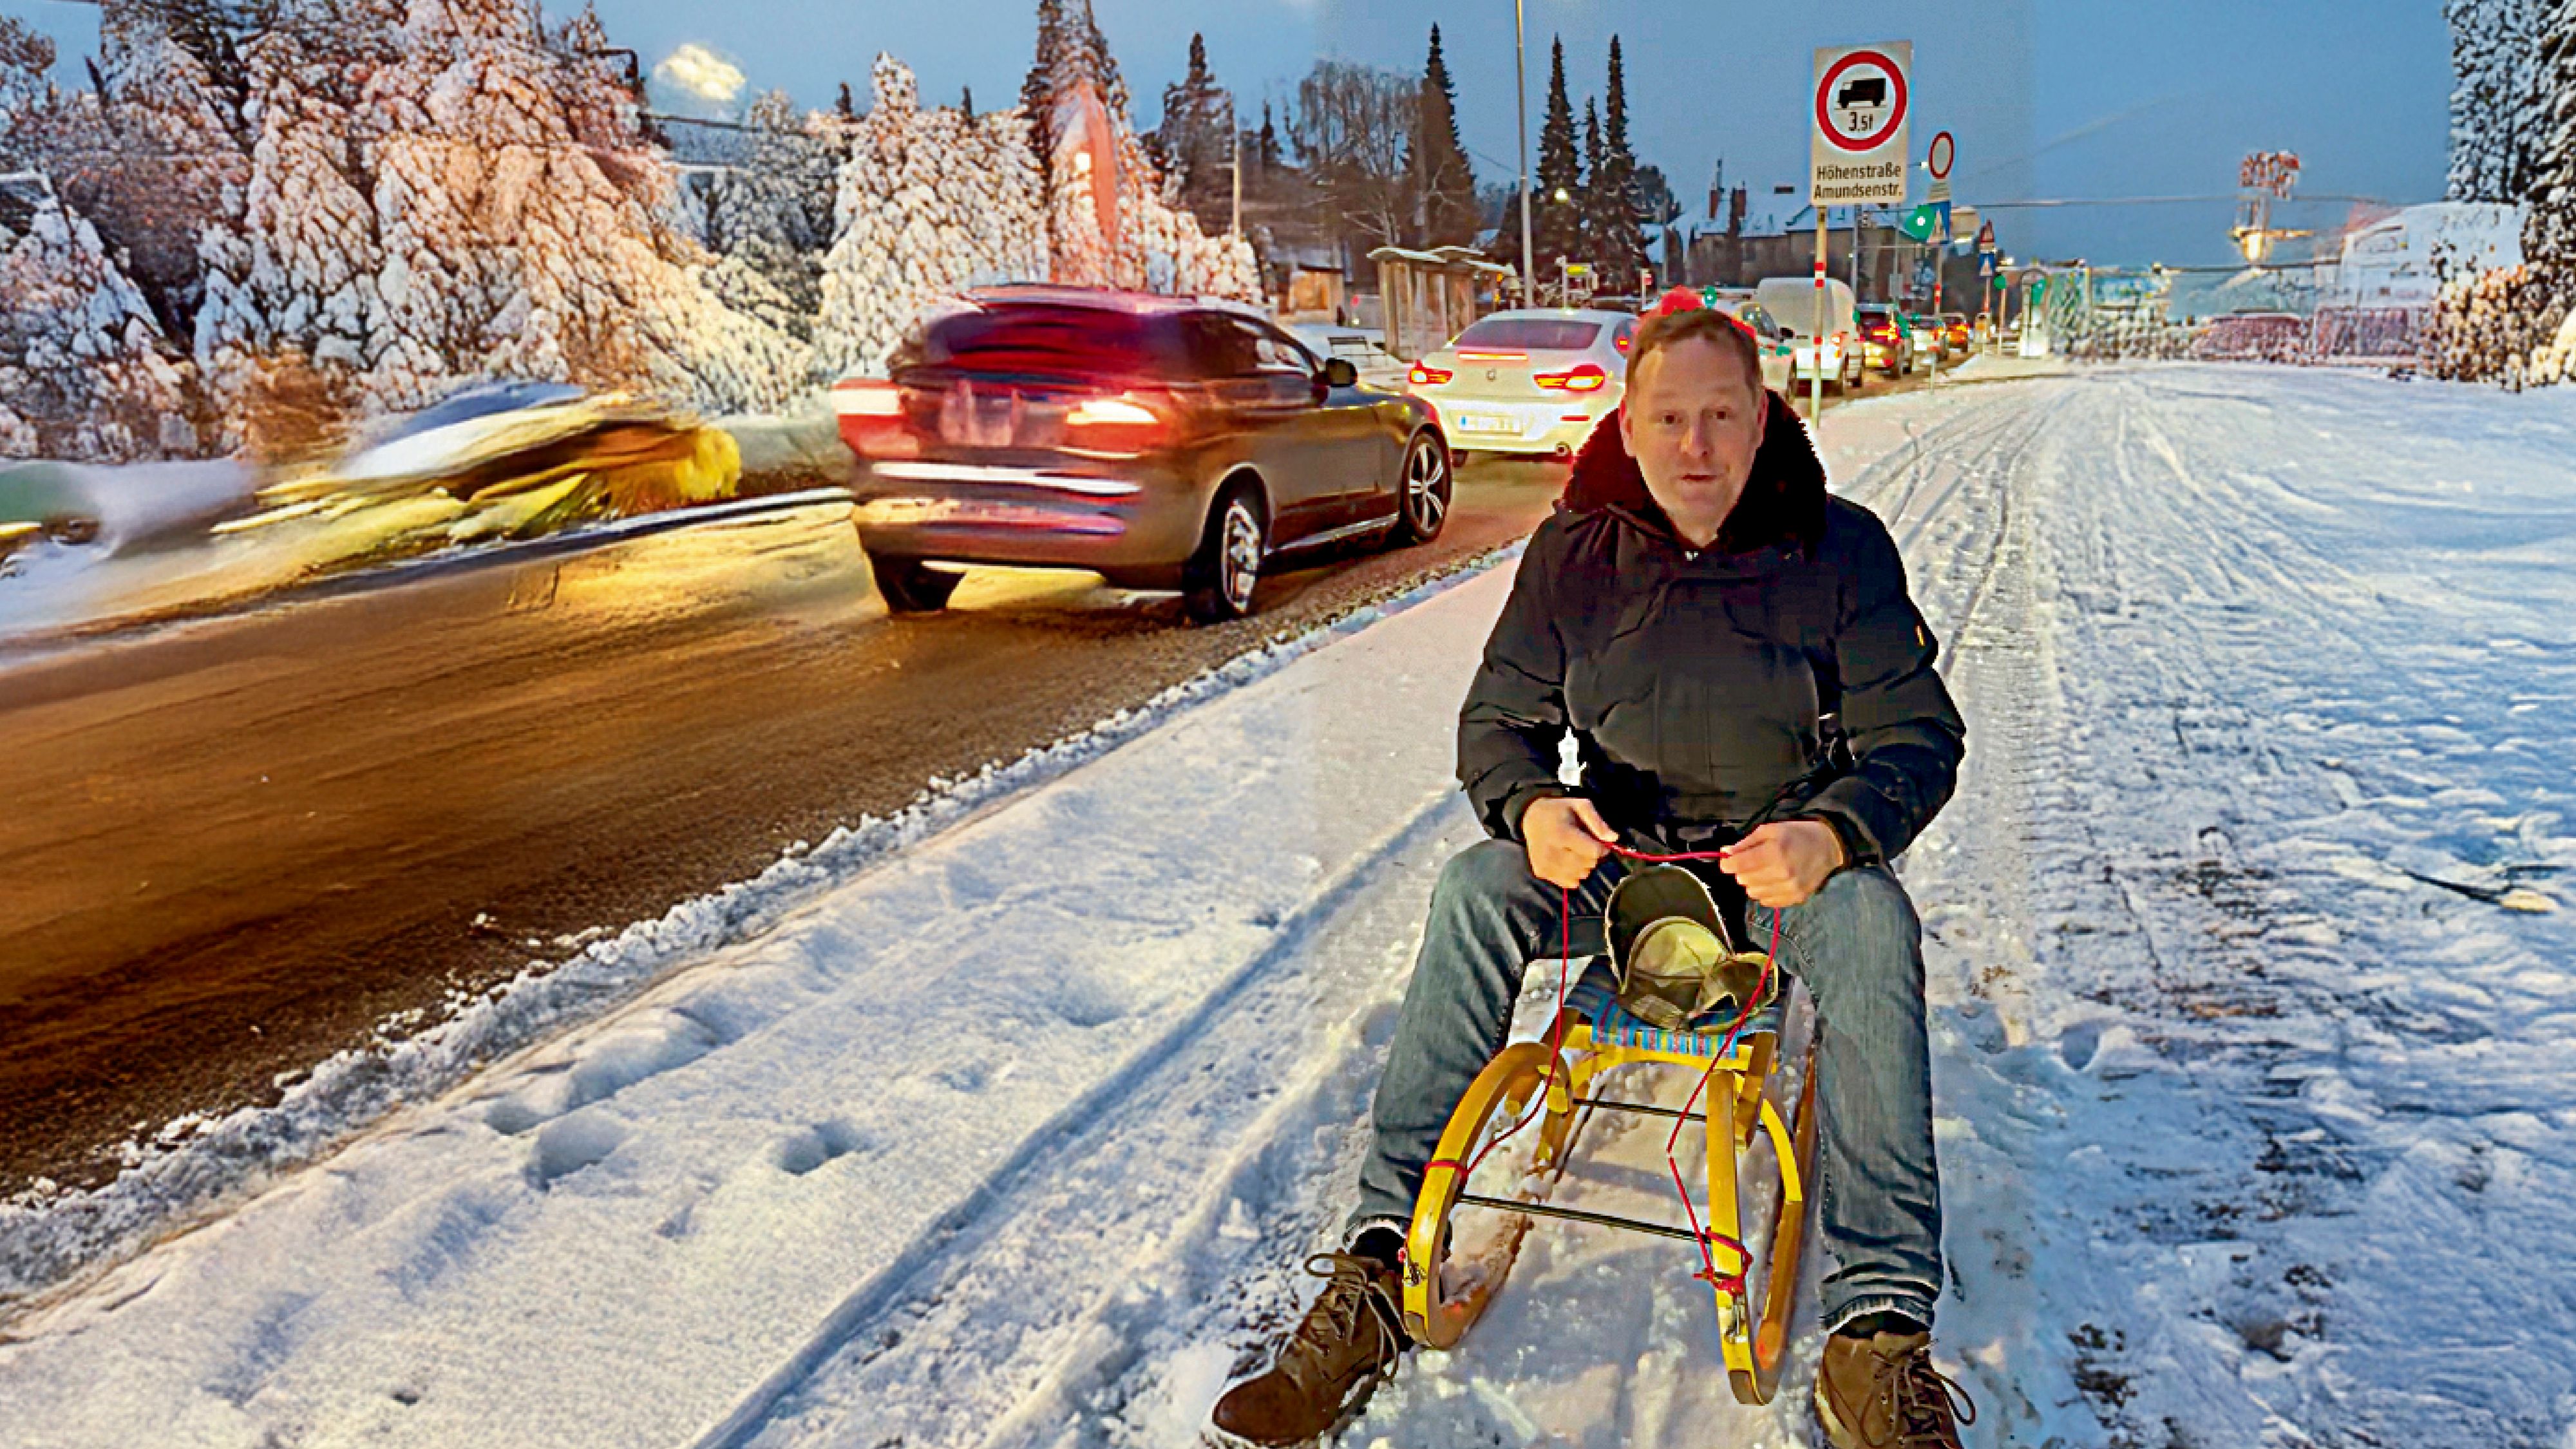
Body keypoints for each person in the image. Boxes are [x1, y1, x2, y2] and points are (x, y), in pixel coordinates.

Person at [1208, 292, 1973, 1449]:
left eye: (1723, 414)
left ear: (1763, 417)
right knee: (1474, 885)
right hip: (1620, 864)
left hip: (1777, 869)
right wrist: (1530, 809)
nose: (1697, 447)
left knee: (1872, 923)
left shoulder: (1841, 546)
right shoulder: (1575, 552)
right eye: (1671, 418)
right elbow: (1495, 726)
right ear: (1630, 418)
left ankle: (1877, 1330)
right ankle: (1376, 1266)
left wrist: (1833, 833)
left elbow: (1920, 736)